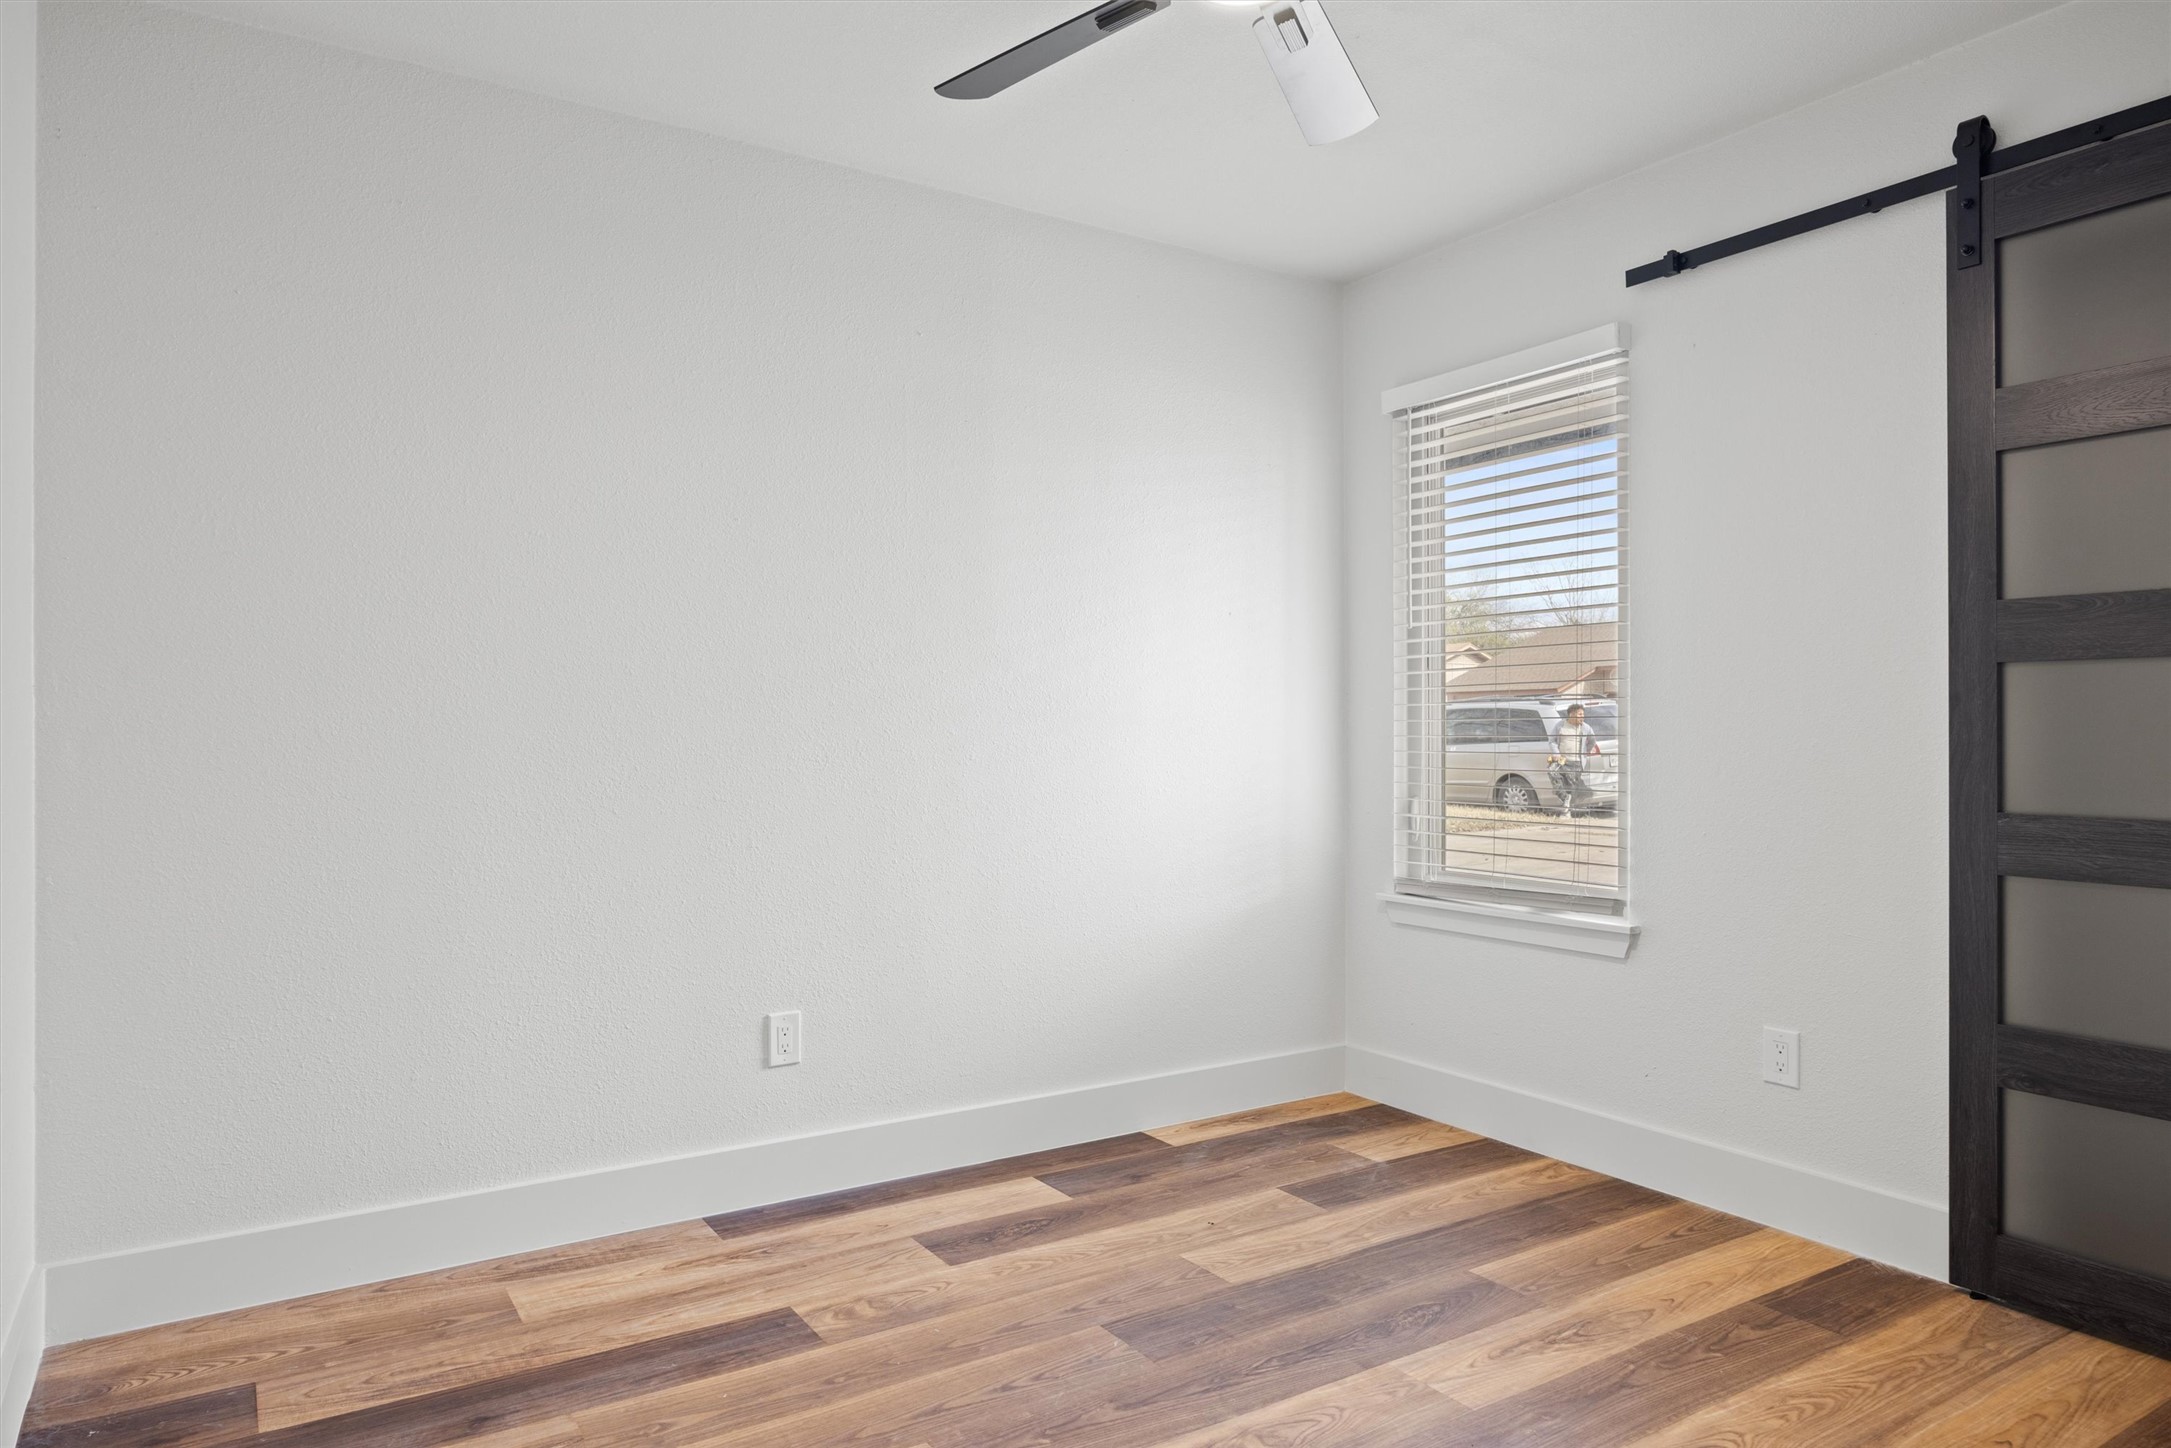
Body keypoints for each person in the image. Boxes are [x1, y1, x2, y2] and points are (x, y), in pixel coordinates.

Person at [1548, 703, 1596, 818]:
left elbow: (1592, 740)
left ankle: (1566, 811)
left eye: (1583, 714)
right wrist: (1556, 754)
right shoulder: (1560, 726)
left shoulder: (1585, 727)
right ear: (1571, 714)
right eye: (1580, 714)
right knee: (1551, 771)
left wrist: (1586, 752)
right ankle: (1565, 798)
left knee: (1571, 788)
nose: (1582, 717)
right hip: (1562, 761)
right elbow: (1552, 741)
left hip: (1576, 762)